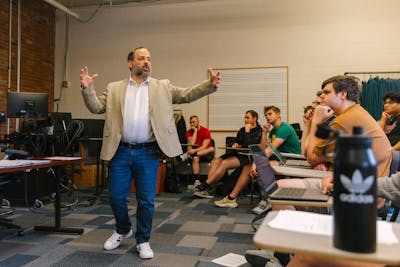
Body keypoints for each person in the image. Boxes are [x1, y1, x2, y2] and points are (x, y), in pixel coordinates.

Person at [79, 46, 220, 259]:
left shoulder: (161, 86)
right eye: (141, 58)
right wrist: (87, 88)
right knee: (116, 196)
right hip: (121, 151)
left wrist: (209, 85)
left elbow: (186, 94)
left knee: (146, 200)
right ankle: (123, 229)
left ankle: (143, 240)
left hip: (148, 152)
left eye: (149, 59)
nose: (146, 62)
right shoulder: (115, 87)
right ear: (130, 63)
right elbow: (97, 107)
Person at [214, 106, 301, 210]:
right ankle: (231, 198)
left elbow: (269, 151)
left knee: (258, 167)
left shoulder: (284, 128)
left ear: (278, 114)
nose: (267, 117)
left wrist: (256, 163)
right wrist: (264, 132)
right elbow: (263, 147)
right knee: (247, 167)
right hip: (281, 159)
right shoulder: (273, 131)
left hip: (292, 161)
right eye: (266, 115)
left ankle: (267, 200)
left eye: (270, 114)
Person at [193, 110, 262, 199]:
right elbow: (238, 141)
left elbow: (250, 145)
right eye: (245, 117)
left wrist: (248, 131)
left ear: (254, 119)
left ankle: (206, 185)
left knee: (224, 163)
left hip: (248, 156)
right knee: (215, 161)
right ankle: (208, 188)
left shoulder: (259, 131)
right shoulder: (242, 129)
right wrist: (235, 144)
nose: (245, 120)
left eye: (247, 117)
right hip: (237, 153)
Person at [180, 115, 215, 182]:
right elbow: (191, 144)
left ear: (198, 122)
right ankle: (196, 180)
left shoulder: (205, 131)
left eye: (193, 122)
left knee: (211, 148)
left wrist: (194, 151)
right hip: (197, 154)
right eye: (190, 122)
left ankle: (188, 155)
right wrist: (195, 131)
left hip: (206, 153)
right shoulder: (188, 132)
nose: (192, 124)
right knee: (195, 157)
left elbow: (204, 147)